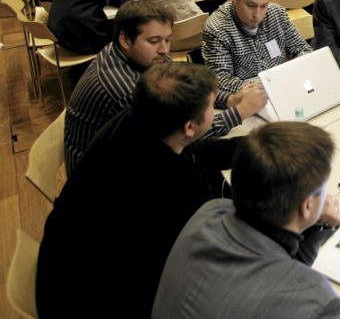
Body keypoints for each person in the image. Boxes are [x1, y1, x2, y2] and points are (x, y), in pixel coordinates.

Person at [36, 63, 243, 319]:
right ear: (190, 126)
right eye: (213, 107)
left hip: (66, 269)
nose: (216, 112)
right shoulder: (176, 185)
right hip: (90, 302)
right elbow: (222, 241)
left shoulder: (138, 121)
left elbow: (195, 152)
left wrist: (253, 146)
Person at [152, 122, 340, 319]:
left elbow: (279, 262)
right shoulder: (316, 303)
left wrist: (316, 223)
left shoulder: (209, 212)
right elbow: (285, 279)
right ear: (307, 205)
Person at [62, 0, 264, 174]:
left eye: (168, 40)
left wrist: (229, 99)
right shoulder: (126, 90)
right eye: (154, 41)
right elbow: (180, 135)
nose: (165, 50)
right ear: (125, 39)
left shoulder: (132, 54)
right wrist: (239, 112)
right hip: (109, 180)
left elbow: (186, 84)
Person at [202, 0, 311, 94]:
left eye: (264, 6)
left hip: (282, 88)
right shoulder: (217, 29)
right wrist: (266, 88)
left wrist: (293, 74)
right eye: (251, 6)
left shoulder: (277, 14)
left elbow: (303, 50)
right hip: (245, 98)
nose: (257, 14)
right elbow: (221, 81)